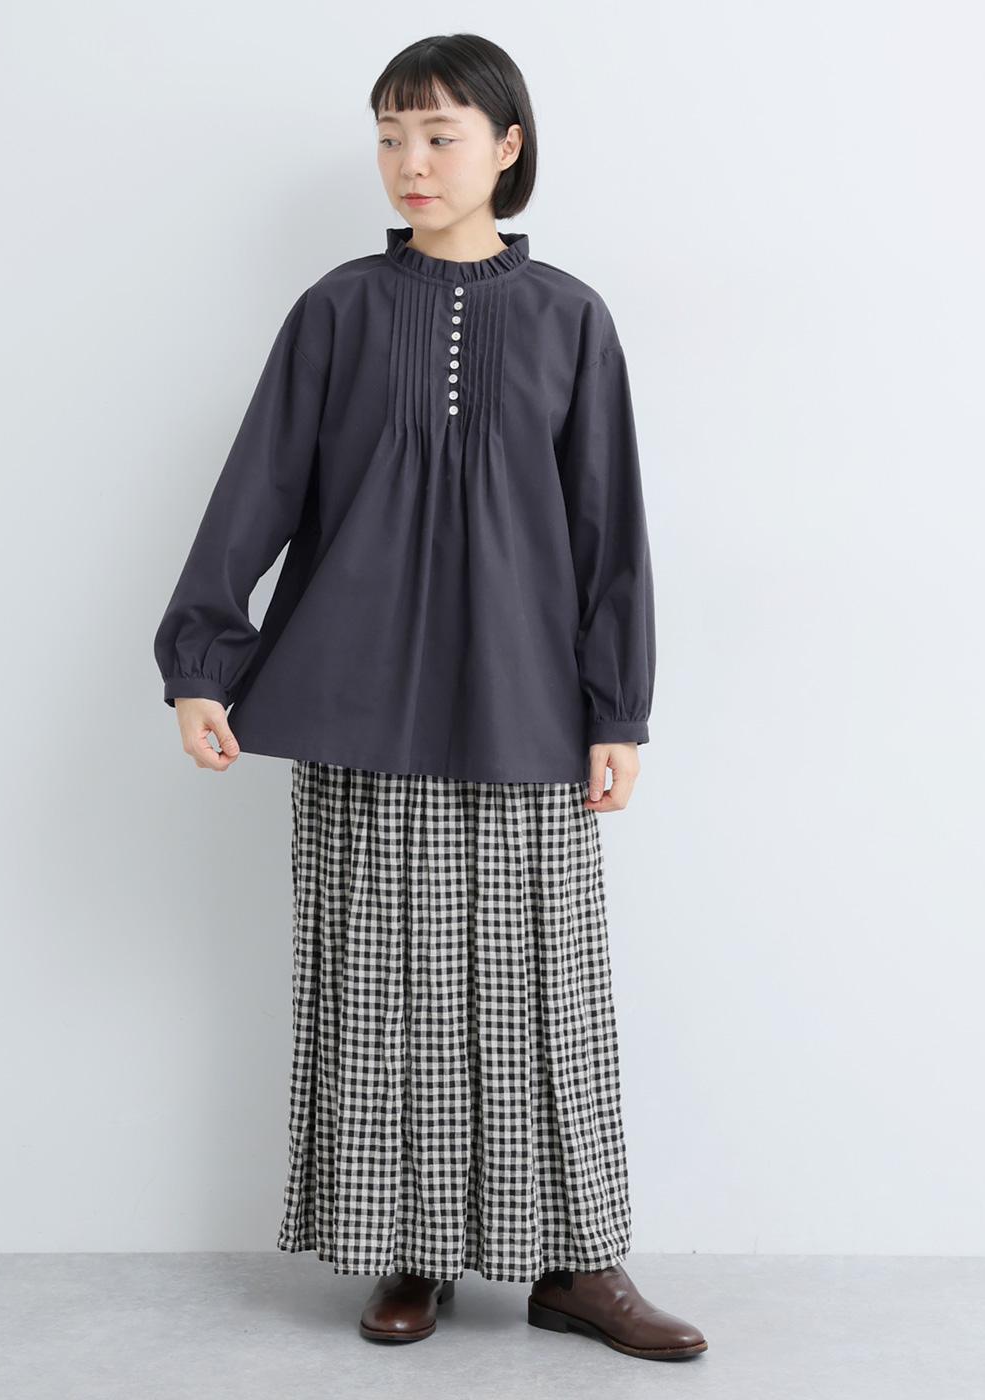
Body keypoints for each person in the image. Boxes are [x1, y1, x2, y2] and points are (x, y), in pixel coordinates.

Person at [153, 32, 707, 1362]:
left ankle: (575, 1261)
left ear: (507, 148)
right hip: (355, 700)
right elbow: (258, 490)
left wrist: (617, 707)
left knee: (544, 995)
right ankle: (409, 1250)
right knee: (380, 988)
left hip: (525, 702)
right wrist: (202, 663)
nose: (410, 159)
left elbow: (609, 527)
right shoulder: (337, 311)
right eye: (391, 133)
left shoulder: (571, 318)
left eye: (440, 134)